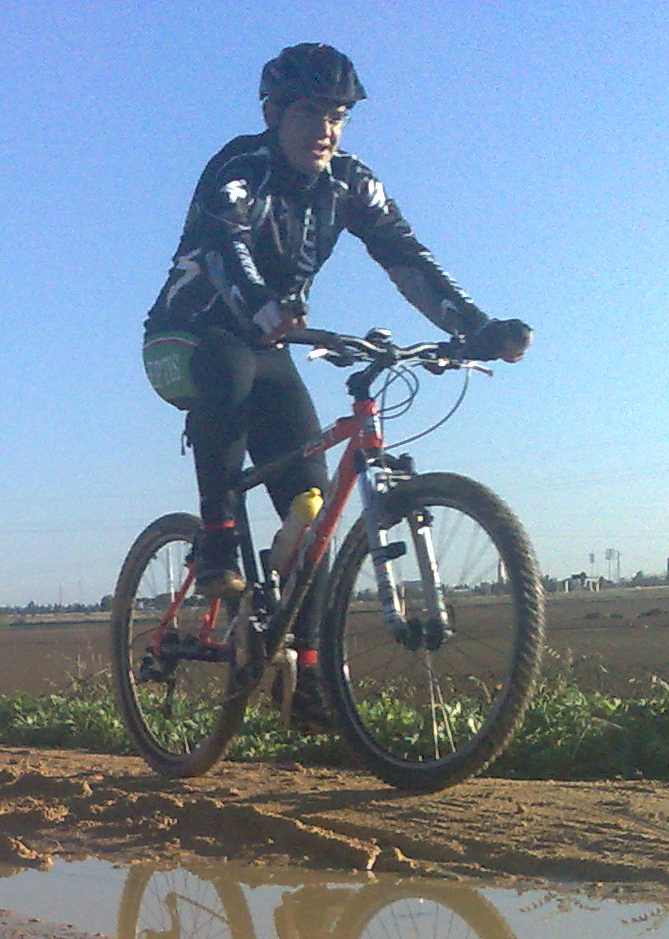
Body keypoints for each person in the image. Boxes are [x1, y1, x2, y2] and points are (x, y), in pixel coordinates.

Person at [143, 42, 532, 597]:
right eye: (308, 113)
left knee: (310, 512)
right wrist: (260, 304)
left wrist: (475, 327)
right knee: (227, 365)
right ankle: (217, 539)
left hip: (269, 342)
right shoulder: (241, 166)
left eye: (338, 116)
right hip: (185, 337)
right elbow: (225, 242)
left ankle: (303, 664)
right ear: (273, 114)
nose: (324, 129)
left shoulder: (350, 183)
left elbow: (405, 255)